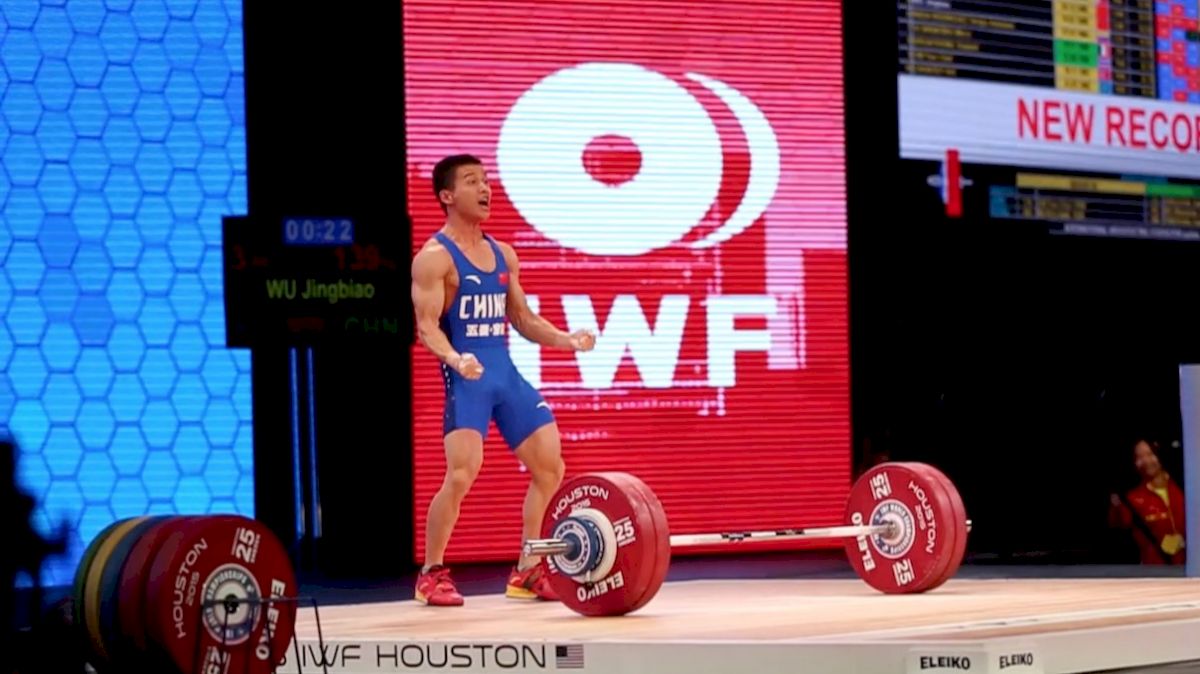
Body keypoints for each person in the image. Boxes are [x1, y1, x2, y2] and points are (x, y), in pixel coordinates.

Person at [409, 154, 596, 606]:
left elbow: (522, 318)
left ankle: (528, 570)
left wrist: (565, 340)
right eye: (472, 181)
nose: (485, 188)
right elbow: (427, 326)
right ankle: (431, 573)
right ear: (447, 196)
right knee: (460, 475)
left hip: (505, 376)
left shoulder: (502, 255)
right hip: (469, 381)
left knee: (551, 468)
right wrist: (456, 359)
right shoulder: (433, 259)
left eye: (486, 179)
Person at [1108, 438, 1186, 565]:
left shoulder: (1185, 487)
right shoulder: (1133, 499)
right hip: (1154, 572)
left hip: (1191, 570)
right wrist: (1115, 508)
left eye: (1150, 454)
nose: (1146, 461)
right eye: (1139, 457)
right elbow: (1119, 525)